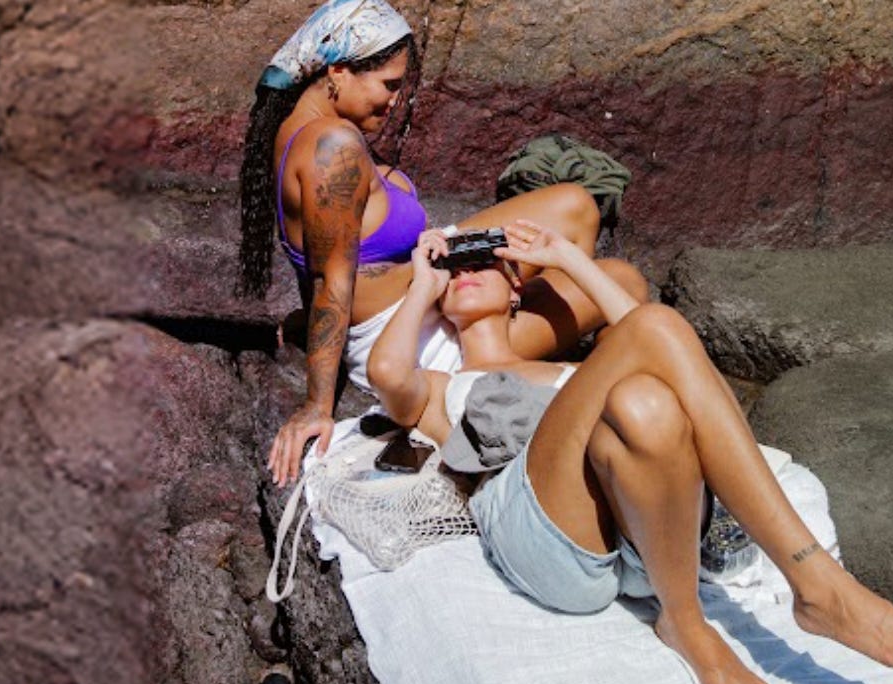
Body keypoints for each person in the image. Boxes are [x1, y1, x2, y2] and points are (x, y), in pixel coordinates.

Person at [369, 222, 893, 684]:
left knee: (648, 403)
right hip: (543, 529)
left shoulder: (581, 374)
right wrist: (422, 283)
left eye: (485, 265)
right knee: (654, 330)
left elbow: (662, 345)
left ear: (518, 292)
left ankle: (684, 621)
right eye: (454, 271)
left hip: (649, 546)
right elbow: (389, 374)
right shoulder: (440, 386)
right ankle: (819, 586)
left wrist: (567, 258)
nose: (465, 271)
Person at [236, 0, 647, 485]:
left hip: (425, 290)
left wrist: (309, 321)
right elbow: (331, 276)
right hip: (416, 340)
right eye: (388, 85)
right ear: (339, 71)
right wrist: (316, 403)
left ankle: (531, 330)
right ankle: (572, 380)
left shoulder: (299, 131)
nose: (393, 103)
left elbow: (323, 250)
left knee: (587, 226)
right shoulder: (333, 146)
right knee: (612, 266)